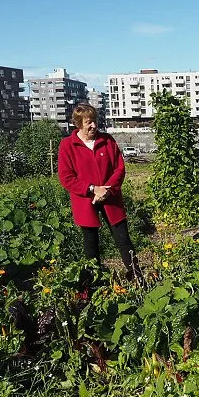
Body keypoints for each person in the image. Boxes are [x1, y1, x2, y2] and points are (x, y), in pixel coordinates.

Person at [58, 104, 145, 285]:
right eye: (89, 123)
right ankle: (93, 285)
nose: (94, 126)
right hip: (85, 201)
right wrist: (92, 189)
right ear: (78, 124)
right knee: (91, 246)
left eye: (95, 121)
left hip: (110, 198)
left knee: (123, 239)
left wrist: (106, 190)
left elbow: (119, 169)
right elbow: (67, 177)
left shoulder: (107, 140)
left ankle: (138, 277)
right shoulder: (68, 145)